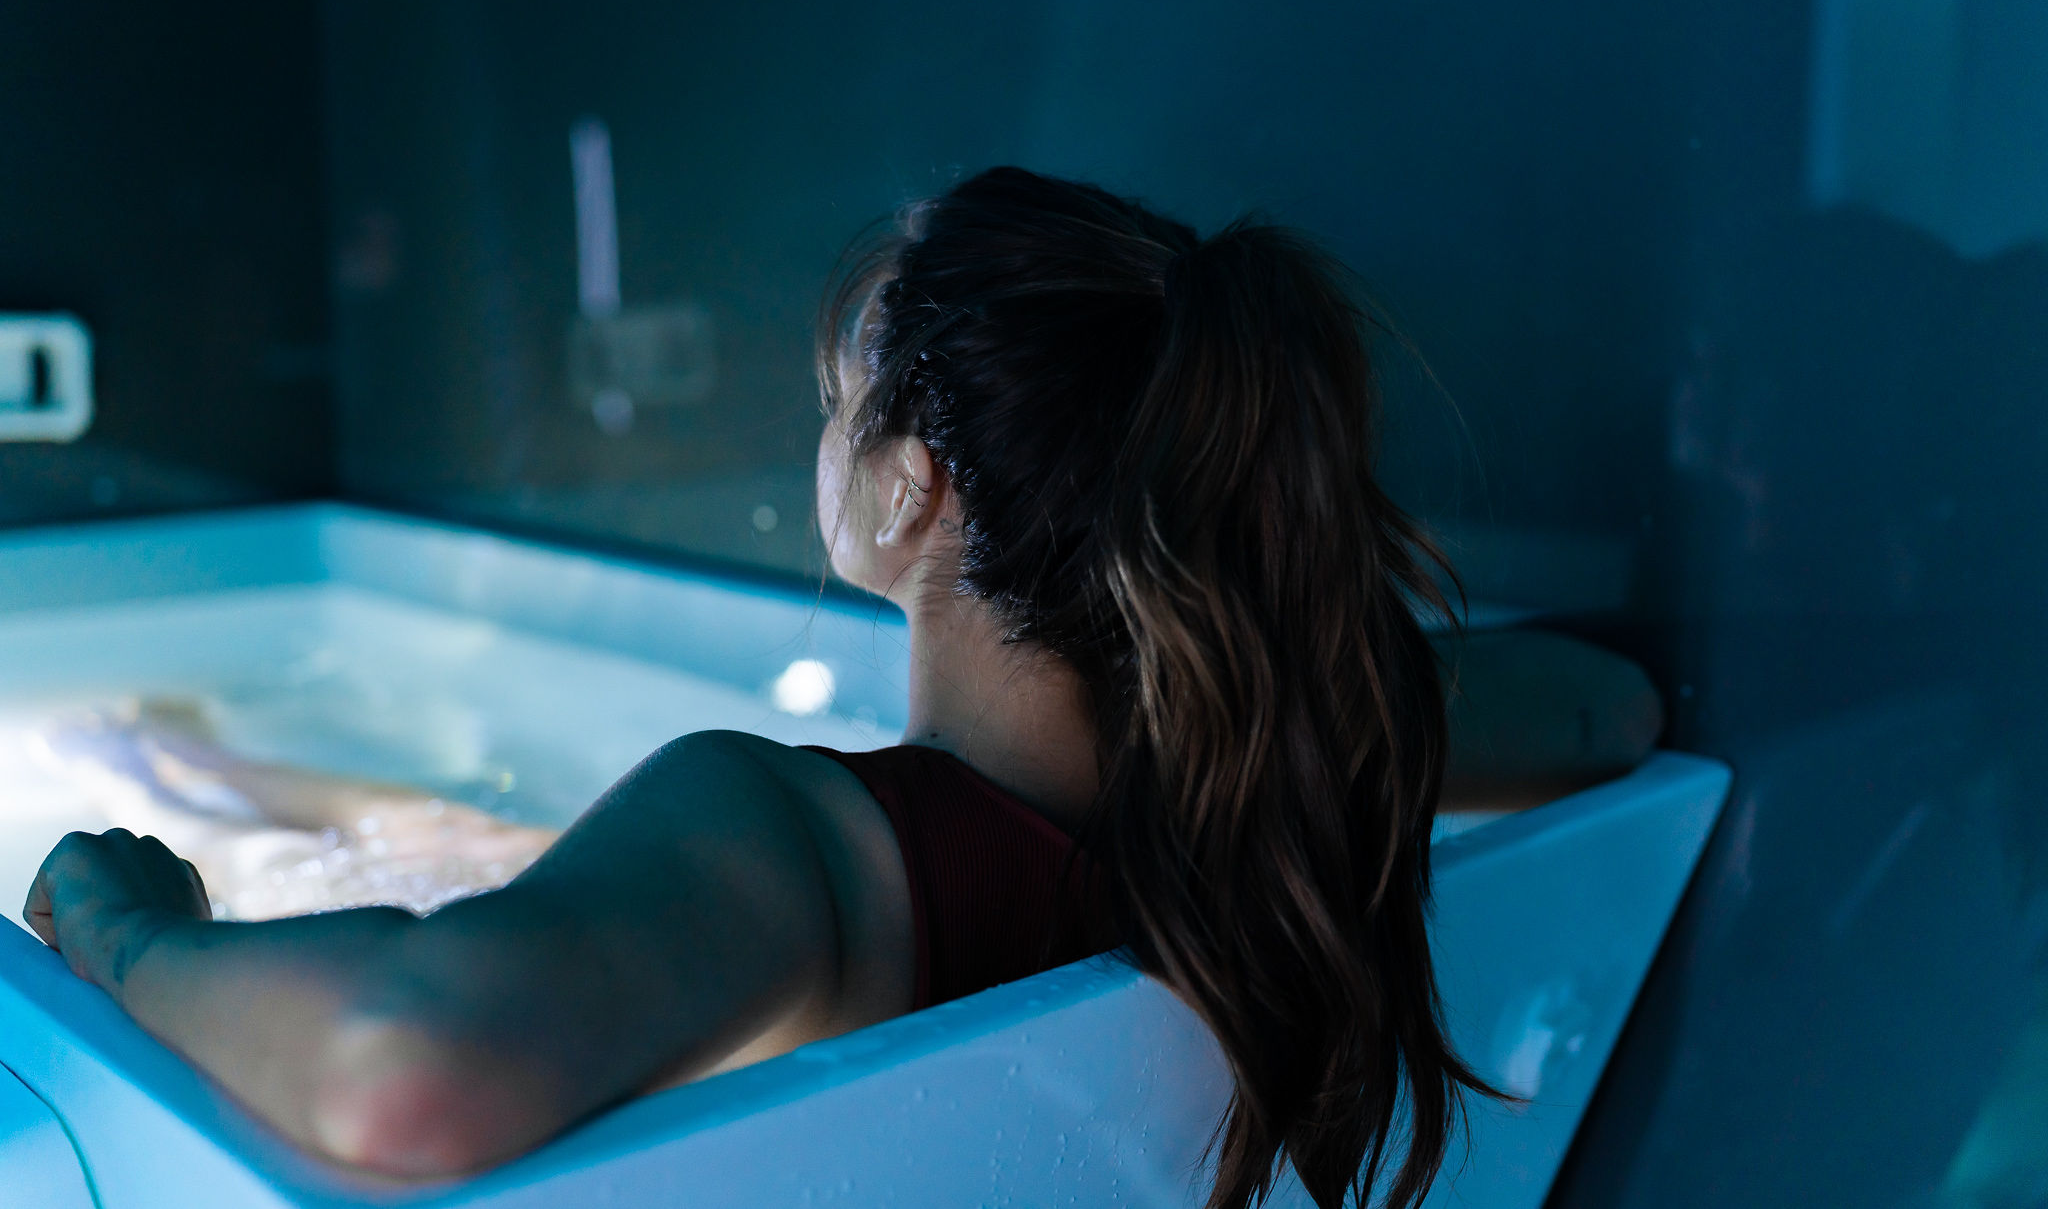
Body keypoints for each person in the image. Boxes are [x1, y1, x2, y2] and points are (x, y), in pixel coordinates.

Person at [24, 168, 1650, 1209]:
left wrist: (125, 927)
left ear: (910, 487)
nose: (820, 439)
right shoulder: (1275, 767)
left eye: (833, 401)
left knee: (410, 845)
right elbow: (1604, 713)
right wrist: (1322, 661)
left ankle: (188, 776)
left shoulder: (807, 838)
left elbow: (403, 1070)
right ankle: (218, 766)